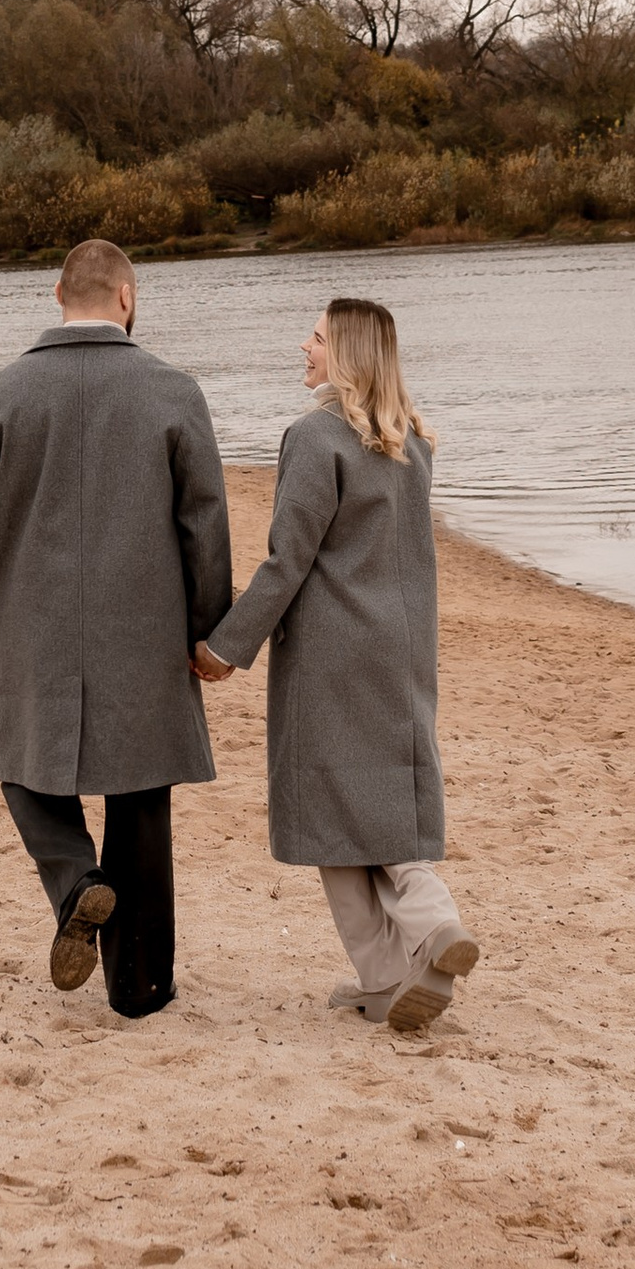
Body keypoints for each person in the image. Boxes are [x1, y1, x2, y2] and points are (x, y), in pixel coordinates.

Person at [0, 236, 231, 1017]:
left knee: (24, 769)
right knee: (139, 797)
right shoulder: (174, 391)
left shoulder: (3, 393)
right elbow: (205, 524)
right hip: (145, 628)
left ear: (57, 297)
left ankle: (76, 880)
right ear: (126, 298)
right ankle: (140, 988)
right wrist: (211, 630)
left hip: (38, 627)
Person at [194, 294, 477, 1038]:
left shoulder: (314, 438)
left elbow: (289, 561)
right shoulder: (409, 441)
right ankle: (404, 959)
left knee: (330, 808)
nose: (304, 347)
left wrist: (227, 647)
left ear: (346, 356)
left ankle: (414, 939)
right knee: (382, 797)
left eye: (317, 339)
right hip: (402, 648)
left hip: (331, 654)